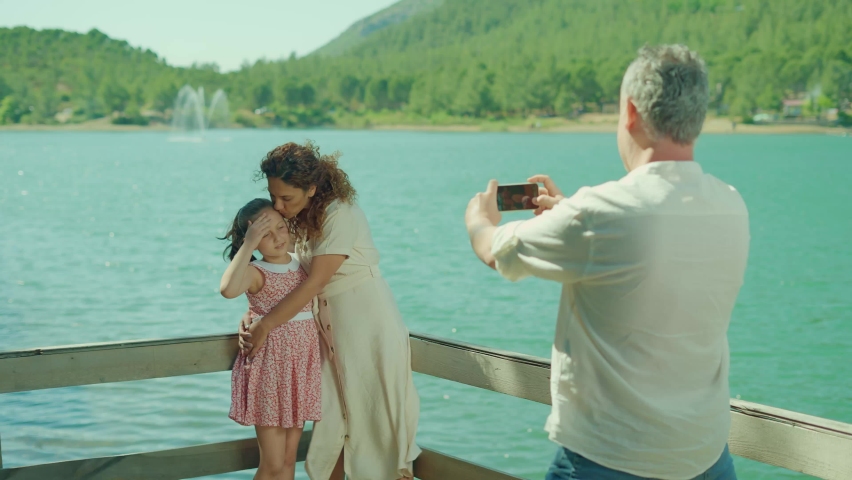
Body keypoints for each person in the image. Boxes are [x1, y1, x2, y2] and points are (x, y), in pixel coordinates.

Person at [465, 44, 749, 480]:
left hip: (611, 459)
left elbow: (495, 250)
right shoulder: (731, 205)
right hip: (705, 456)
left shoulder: (600, 215)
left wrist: (478, 219)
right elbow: (643, 249)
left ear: (630, 112)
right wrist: (568, 214)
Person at [238, 141, 420, 480]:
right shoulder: (298, 217)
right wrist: (255, 313)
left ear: (311, 188)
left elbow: (315, 281)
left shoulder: (340, 214)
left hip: (365, 321)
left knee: (376, 420)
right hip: (323, 327)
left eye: (286, 198)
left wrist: (266, 325)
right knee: (333, 424)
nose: (278, 206)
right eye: (273, 196)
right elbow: (285, 272)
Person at [220, 198, 322, 480]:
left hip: (298, 370)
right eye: (265, 234)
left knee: (289, 461)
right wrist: (249, 244)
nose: (277, 238)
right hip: (271, 371)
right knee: (273, 464)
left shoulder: (302, 263)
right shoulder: (256, 271)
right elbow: (228, 289)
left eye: (280, 227)